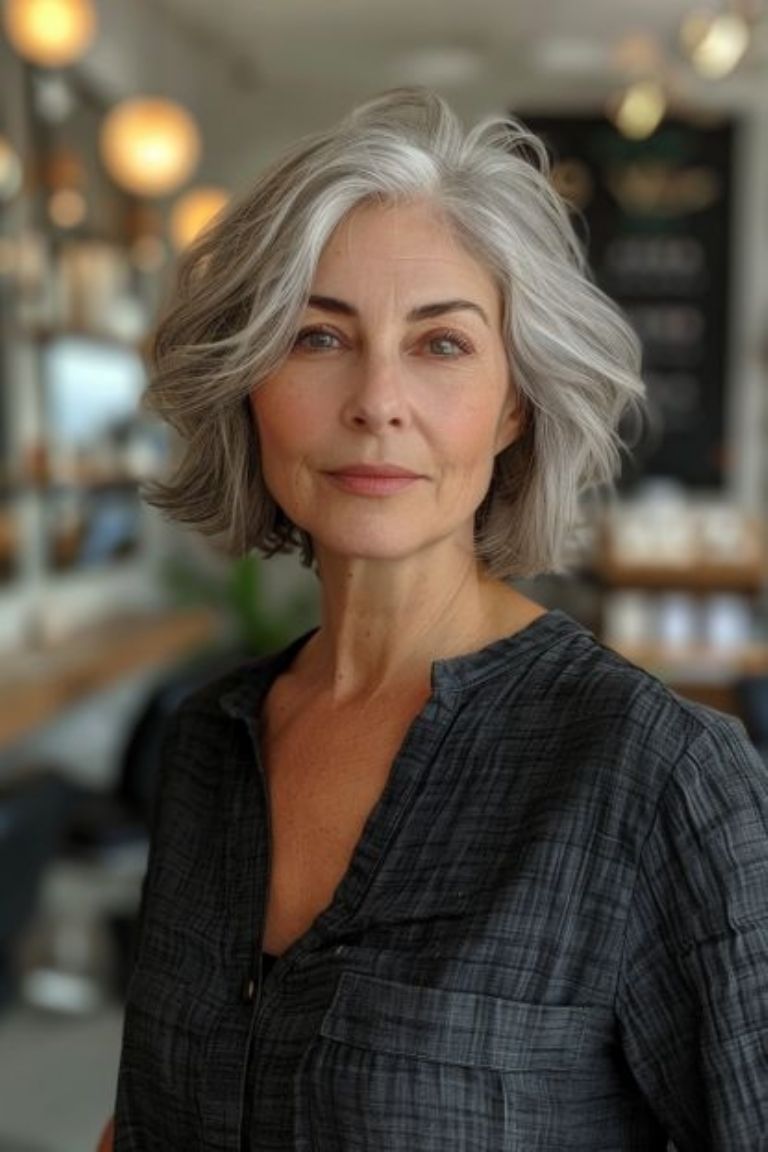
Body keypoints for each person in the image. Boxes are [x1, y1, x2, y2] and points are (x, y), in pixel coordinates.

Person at [101, 88, 768, 1151]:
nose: (377, 400)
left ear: (514, 404)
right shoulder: (209, 744)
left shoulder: (658, 778)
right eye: (318, 337)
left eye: (442, 345)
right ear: (249, 381)